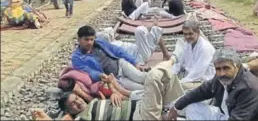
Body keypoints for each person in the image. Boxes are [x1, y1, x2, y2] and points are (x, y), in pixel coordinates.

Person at [32, 56, 186, 121]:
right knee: (154, 75)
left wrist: (114, 92)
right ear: (69, 112)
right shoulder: (82, 118)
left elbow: (125, 95)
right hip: (141, 116)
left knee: (164, 78)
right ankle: (173, 59)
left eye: (77, 98)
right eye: (73, 104)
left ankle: (175, 107)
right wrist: (48, 118)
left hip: (142, 105)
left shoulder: (95, 102)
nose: (78, 102)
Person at [168, 48, 258, 121]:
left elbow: (238, 119)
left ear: (237, 66)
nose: (222, 73)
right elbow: (199, 92)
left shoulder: (249, 88)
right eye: (218, 69)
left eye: (226, 68)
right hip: (227, 115)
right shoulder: (220, 78)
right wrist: (176, 107)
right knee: (193, 108)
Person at [71, 25, 148, 91]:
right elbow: (88, 71)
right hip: (115, 79)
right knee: (140, 88)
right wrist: (99, 75)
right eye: (86, 39)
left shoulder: (99, 43)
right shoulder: (77, 58)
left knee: (142, 77)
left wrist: (134, 62)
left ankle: (159, 84)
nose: (90, 42)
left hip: (121, 64)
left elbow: (117, 51)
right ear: (79, 39)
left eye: (91, 39)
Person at [96, 17, 171, 64]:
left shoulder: (113, 43)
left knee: (155, 30)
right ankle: (151, 27)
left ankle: (165, 54)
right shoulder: (108, 49)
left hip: (140, 49)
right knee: (139, 30)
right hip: (140, 56)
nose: (110, 36)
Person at [172, 20, 216, 90]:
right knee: (165, 79)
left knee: (179, 87)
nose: (187, 36)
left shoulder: (205, 48)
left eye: (190, 34)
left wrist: (180, 82)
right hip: (189, 76)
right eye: (185, 34)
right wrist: (171, 75)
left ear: (198, 33)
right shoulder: (188, 43)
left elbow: (197, 73)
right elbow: (179, 62)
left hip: (203, 81)